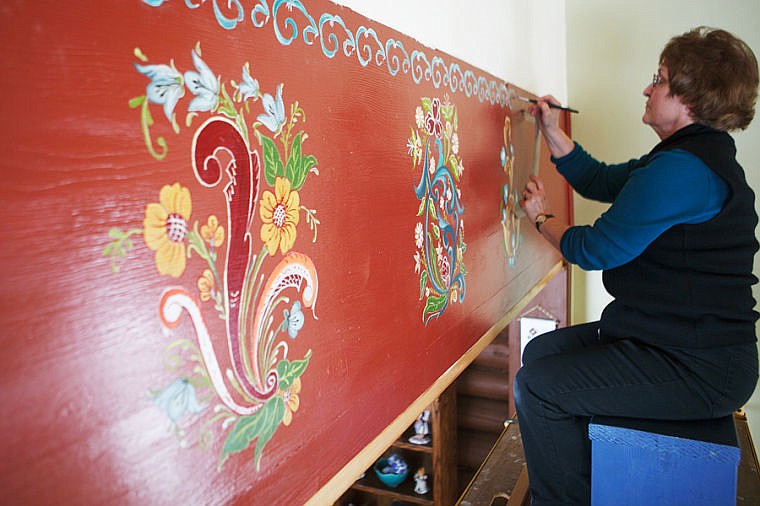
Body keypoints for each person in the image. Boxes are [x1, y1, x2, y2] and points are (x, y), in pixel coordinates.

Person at [514, 26, 760, 505]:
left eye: (660, 79)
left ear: (690, 97)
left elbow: (597, 248)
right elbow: (602, 180)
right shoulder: (682, 159)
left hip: (698, 366)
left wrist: (541, 219)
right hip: (663, 340)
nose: (648, 88)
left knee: (537, 387)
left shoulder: (684, 171)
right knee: (540, 358)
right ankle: (588, 478)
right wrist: (550, 131)